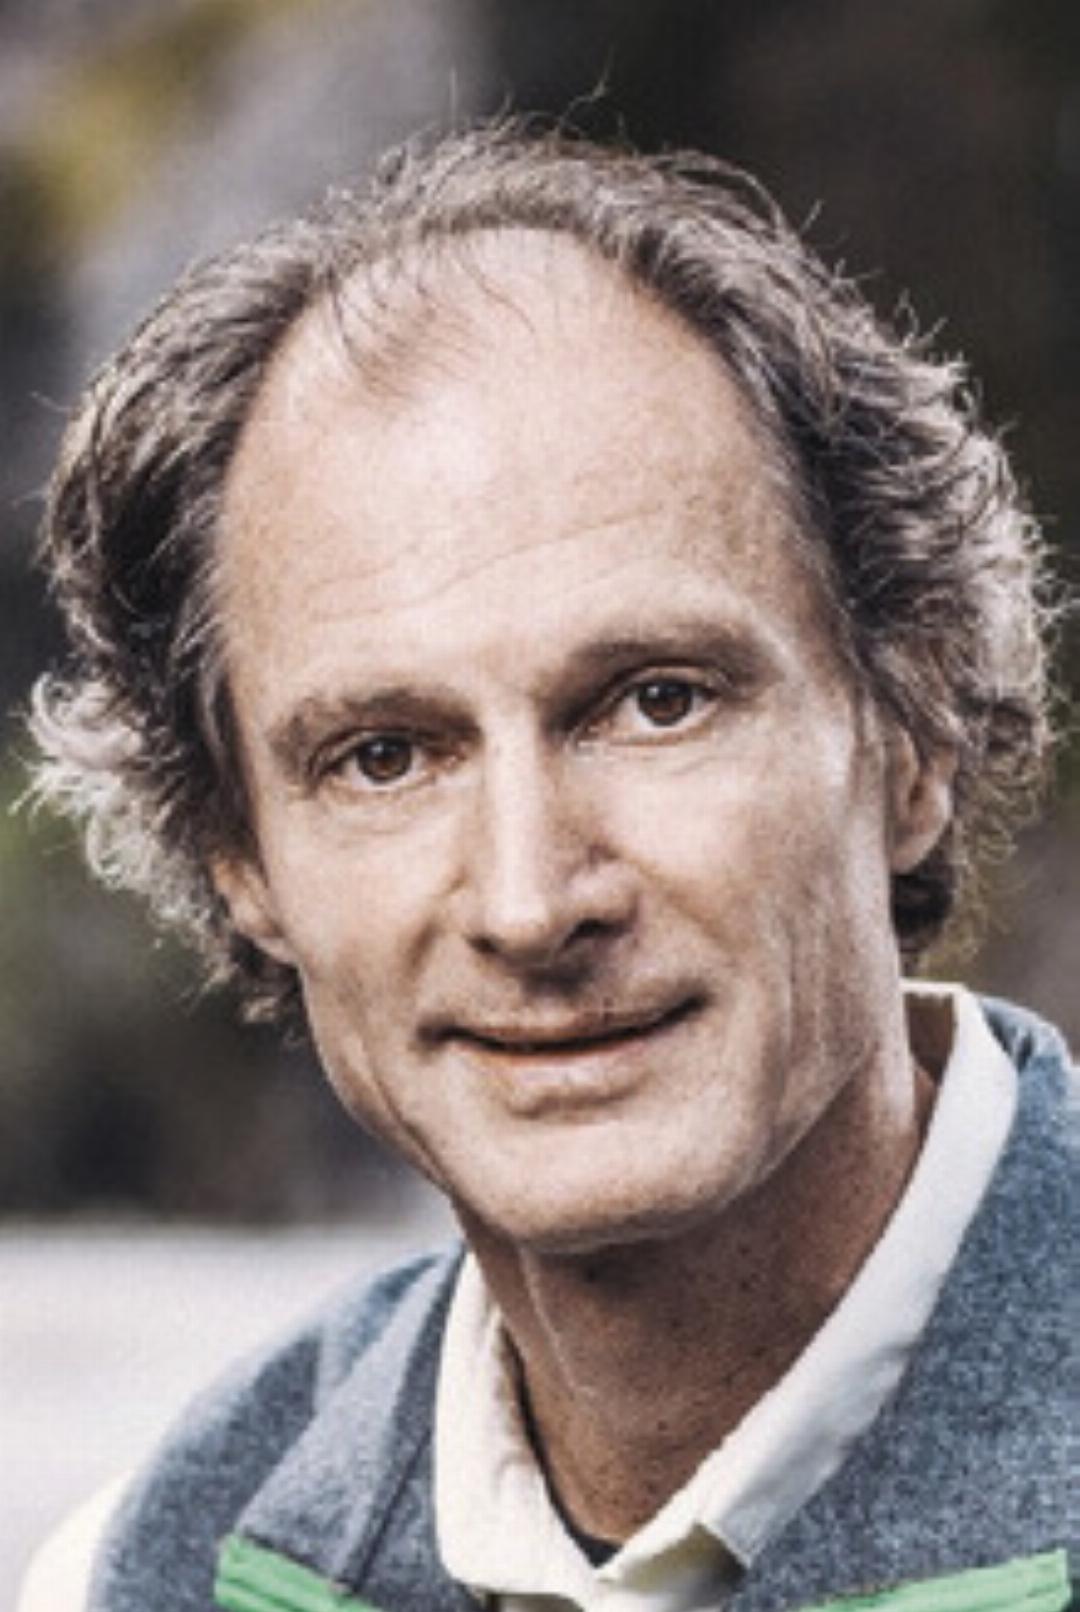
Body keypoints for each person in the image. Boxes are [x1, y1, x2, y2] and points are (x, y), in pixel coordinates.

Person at [23, 120, 1076, 1612]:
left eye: (657, 701)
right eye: (384, 756)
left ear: (914, 740)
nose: (529, 902)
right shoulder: (140, 1569)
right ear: (241, 859)